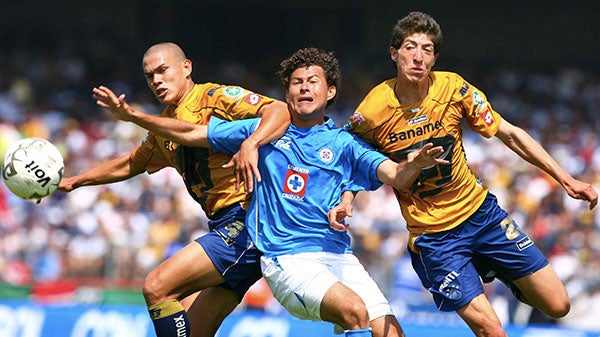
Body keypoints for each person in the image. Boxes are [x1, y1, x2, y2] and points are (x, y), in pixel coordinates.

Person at [94, 47, 449, 337]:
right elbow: (191, 134)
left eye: (313, 81)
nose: (304, 88)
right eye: (296, 82)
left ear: (331, 91)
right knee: (353, 311)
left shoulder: (345, 144)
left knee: (391, 333)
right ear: (287, 93)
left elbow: (397, 176)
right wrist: (136, 117)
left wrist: (416, 165)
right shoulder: (263, 132)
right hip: (288, 259)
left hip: (338, 258)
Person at [341, 11, 599, 337]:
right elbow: (353, 159)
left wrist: (566, 179)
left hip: (482, 215)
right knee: (493, 331)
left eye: (427, 49)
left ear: (435, 57)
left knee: (558, 304)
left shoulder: (454, 88)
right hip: (435, 238)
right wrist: (346, 199)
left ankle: (493, 266)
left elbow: (510, 134)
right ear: (394, 53)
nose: (418, 56)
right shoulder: (372, 111)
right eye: (410, 47)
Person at [60, 42, 291, 337]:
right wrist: (75, 181)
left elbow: (279, 110)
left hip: (249, 220)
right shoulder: (165, 127)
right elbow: (131, 164)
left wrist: (252, 142)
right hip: (224, 226)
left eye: (162, 70)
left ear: (186, 68)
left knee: (157, 287)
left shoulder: (214, 98)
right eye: (149, 76)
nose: (156, 80)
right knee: (194, 332)